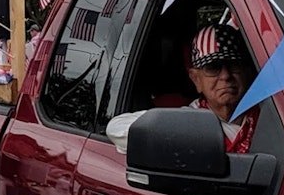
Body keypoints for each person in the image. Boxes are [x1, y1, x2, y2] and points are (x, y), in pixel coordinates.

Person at [107, 24, 258, 154]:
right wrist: (184, 133)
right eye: (213, 68)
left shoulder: (274, 113)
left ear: (248, 72)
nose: (225, 76)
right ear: (196, 79)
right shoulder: (188, 119)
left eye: (233, 65)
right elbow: (115, 128)